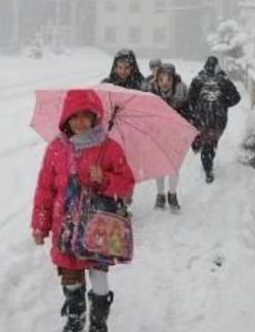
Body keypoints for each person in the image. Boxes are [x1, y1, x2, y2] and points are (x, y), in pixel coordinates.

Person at [32, 89, 135, 332]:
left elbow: (127, 184)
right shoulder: (56, 149)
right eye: (74, 116)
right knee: (69, 276)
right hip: (65, 227)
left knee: (98, 276)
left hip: (97, 226)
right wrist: (40, 224)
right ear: (65, 119)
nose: (79, 122)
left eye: (85, 116)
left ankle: (98, 323)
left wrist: (105, 178)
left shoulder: (110, 148)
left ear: (95, 117)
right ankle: (75, 318)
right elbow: (45, 188)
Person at [188, 56, 241, 184]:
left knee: (206, 143)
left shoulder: (198, 79)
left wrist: (196, 112)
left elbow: (190, 99)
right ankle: (208, 166)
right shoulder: (224, 80)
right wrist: (223, 104)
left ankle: (207, 164)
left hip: (201, 119)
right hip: (219, 119)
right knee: (210, 143)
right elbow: (236, 98)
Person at [148, 62, 189, 211]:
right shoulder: (152, 95)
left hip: (176, 136)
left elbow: (189, 114)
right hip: (158, 135)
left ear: (173, 80)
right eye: (161, 80)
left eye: (167, 80)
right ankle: (160, 194)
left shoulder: (182, 94)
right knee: (159, 165)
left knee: (173, 165)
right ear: (157, 81)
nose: (164, 83)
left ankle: (172, 194)